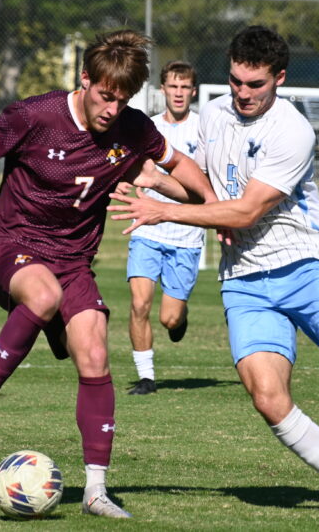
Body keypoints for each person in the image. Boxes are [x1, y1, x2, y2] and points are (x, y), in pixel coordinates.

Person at [109, 25, 319, 517]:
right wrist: (155, 179)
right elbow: (205, 189)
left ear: (280, 78)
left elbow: (246, 211)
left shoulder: (293, 130)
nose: (243, 93)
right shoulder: (213, 113)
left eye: (256, 85)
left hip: (304, 266)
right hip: (245, 282)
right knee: (268, 398)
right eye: (235, 81)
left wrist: (163, 210)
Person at [0, 29, 214, 519]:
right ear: (85, 80)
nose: (112, 108)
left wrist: (205, 205)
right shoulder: (35, 115)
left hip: (73, 258)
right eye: (106, 95)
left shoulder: (133, 130)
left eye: (123, 99)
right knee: (41, 296)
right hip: (10, 242)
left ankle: (95, 492)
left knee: (95, 349)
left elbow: (187, 177)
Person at [123, 61, 204, 395]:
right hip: (147, 228)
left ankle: (179, 319)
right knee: (139, 303)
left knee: (169, 318)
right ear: (163, 90)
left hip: (186, 233)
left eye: (185, 87)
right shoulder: (147, 127)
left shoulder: (204, 129)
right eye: (173, 86)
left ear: (193, 91)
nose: (179, 93)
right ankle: (146, 377)